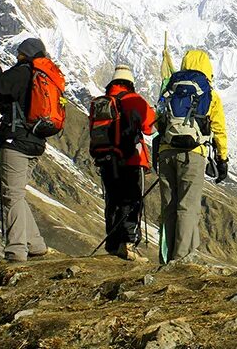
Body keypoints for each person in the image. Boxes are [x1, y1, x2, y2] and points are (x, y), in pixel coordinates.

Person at [0, 37, 49, 262]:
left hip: (16, 141)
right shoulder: (43, 76)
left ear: (26, 54)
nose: (17, 56)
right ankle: (35, 245)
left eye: (20, 53)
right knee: (17, 194)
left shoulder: (23, 73)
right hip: (37, 142)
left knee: (11, 195)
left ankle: (16, 250)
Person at [158, 49, 228, 264]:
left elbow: (157, 118)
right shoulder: (209, 93)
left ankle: (166, 258)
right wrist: (222, 158)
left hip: (166, 152)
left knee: (169, 207)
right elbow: (219, 128)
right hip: (193, 154)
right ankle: (181, 260)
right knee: (188, 207)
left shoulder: (170, 88)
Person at [96, 65, 156, 262]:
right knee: (131, 200)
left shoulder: (101, 102)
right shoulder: (135, 100)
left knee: (112, 200)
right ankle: (128, 244)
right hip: (130, 159)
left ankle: (112, 244)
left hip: (106, 159)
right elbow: (149, 128)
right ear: (130, 83)